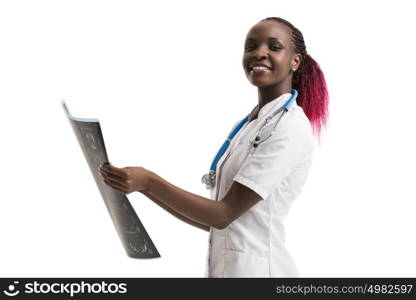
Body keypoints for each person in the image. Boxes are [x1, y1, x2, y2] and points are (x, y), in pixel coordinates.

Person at [99, 16, 329, 277]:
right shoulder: (250, 124)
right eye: (251, 47)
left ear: (295, 61)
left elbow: (223, 214)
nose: (259, 54)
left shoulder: (289, 128)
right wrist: (140, 189)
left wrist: (149, 182)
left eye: (274, 47)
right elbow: (215, 223)